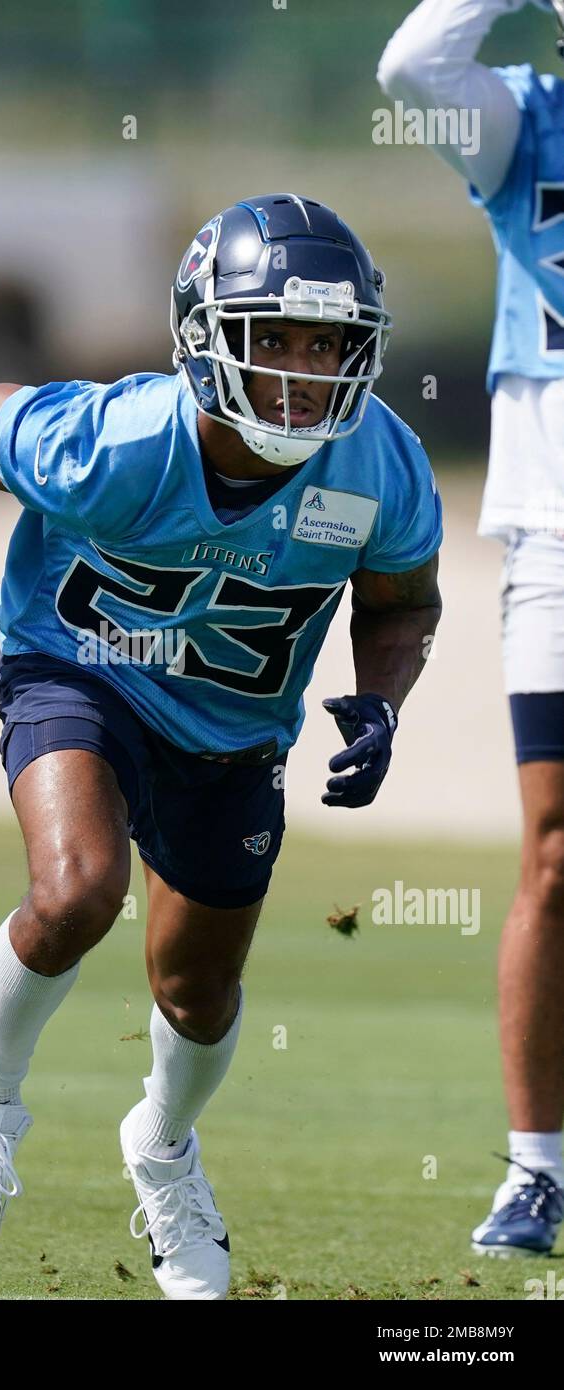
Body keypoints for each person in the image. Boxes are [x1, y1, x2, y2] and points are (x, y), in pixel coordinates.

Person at [0, 193, 443, 1300]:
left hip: (234, 731)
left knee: (195, 991)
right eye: (275, 338)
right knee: (76, 892)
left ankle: (161, 1151)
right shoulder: (119, 440)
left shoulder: (377, 467)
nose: (302, 370)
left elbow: (401, 603)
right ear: (204, 338)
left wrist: (380, 698)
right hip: (80, 669)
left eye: (326, 343)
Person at [379, 0, 564, 1258]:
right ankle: (538, 1170)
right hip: (555, 533)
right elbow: (412, 62)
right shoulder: (521, 129)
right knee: (553, 851)